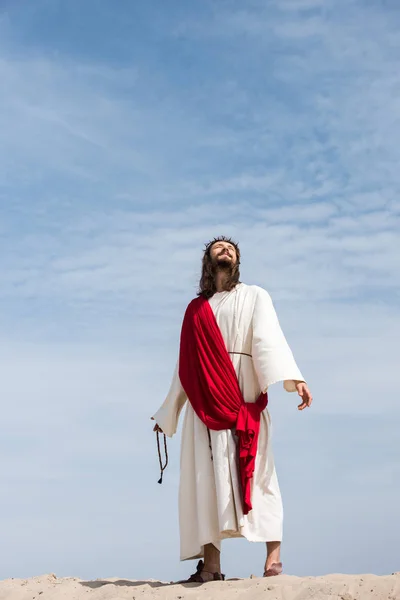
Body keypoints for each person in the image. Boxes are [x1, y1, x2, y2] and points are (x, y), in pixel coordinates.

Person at [152, 236, 312, 582]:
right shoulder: (196, 310)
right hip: (204, 402)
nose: (225, 249)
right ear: (207, 260)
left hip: (242, 395)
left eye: (231, 247)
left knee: (261, 477)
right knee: (205, 481)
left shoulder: (255, 295)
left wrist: (291, 378)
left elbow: (269, 340)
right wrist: (169, 412)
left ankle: (273, 563)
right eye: (218, 247)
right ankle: (210, 568)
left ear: (237, 259)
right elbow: (186, 366)